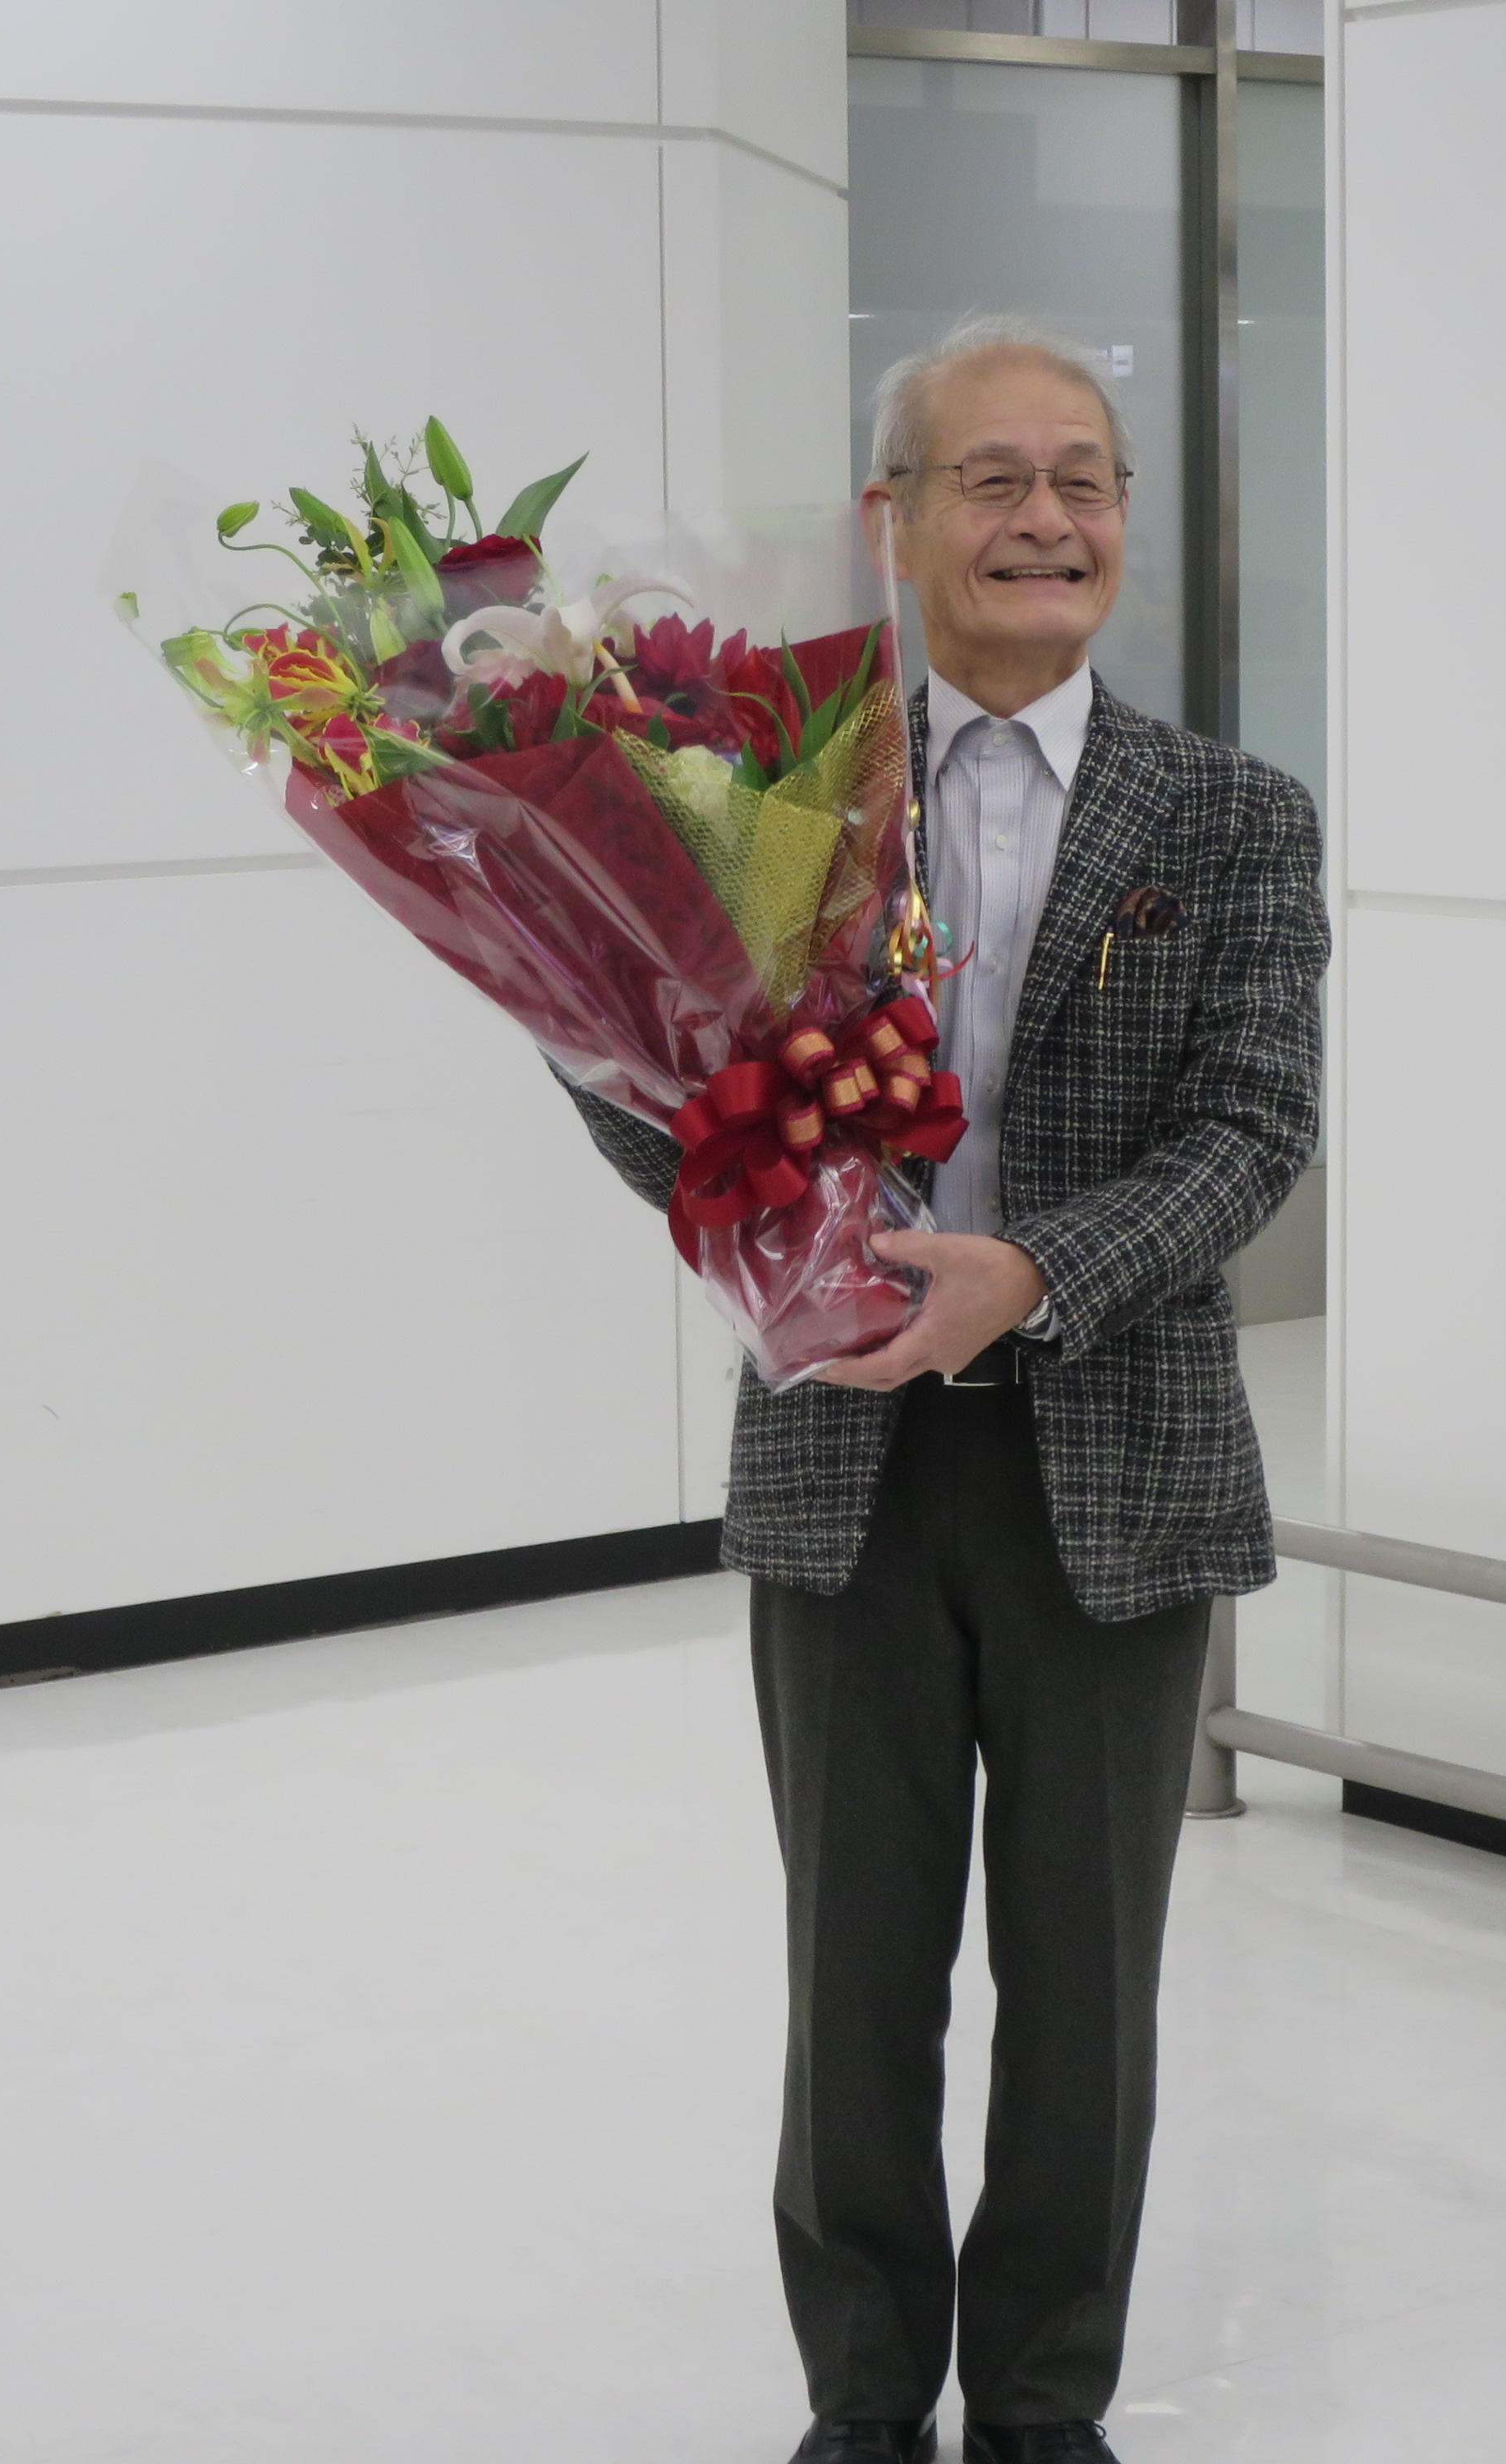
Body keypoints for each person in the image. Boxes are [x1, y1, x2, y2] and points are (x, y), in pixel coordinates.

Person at [565, 315, 1326, 2464]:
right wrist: (745, 1208)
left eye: (1083, 478)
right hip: (844, 1456)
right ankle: (864, 2404)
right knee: (856, 1983)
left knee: (1088, 1996)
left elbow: (1257, 1130)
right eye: (993, 478)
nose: (1049, 517)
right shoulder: (772, 795)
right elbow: (636, 1068)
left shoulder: (1234, 813)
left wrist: (1030, 1278)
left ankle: (1050, 2408)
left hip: (1118, 1460)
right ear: (893, 523)